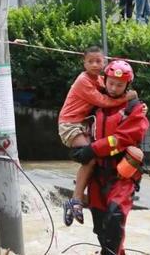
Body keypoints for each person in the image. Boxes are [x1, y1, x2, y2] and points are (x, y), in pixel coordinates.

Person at [69, 60, 150, 255]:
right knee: (100, 226)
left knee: (114, 218)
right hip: (97, 174)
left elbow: (125, 137)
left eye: (119, 85)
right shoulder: (93, 103)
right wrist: (77, 144)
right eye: (111, 83)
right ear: (105, 80)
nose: (114, 88)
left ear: (127, 86)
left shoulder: (134, 108)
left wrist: (93, 149)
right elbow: (74, 118)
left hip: (122, 174)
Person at [58, 46, 138, 226]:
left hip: (85, 125)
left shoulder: (101, 81)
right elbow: (103, 101)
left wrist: (133, 103)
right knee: (90, 157)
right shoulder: (84, 81)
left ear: (105, 62)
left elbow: (109, 94)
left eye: (99, 61)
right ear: (83, 62)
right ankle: (76, 200)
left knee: (93, 160)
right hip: (71, 124)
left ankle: (77, 199)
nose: (94, 65)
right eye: (90, 61)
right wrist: (127, 98)